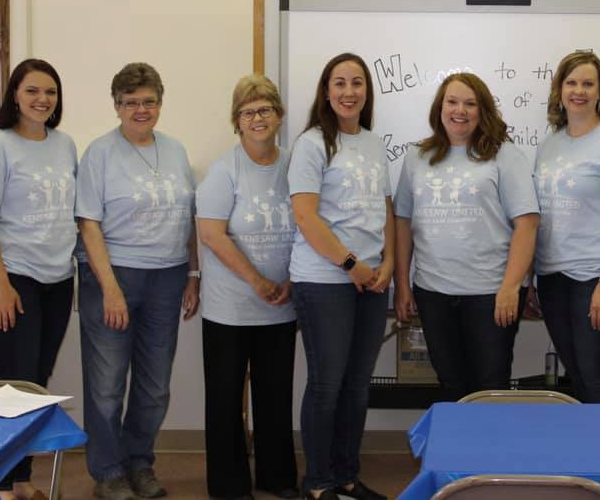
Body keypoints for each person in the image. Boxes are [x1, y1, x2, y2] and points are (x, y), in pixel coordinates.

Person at [76, 62, 199, 500]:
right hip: (114, 274)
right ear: (116, 106)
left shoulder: (176, 150)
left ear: (160, 104)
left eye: (148, 101)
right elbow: (88, 224)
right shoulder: (100, 153)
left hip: (167, 278)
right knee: (108, 386)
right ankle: (108, 472)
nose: (140, 109)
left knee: (154, 386)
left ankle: (139, 464)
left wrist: (192, 273)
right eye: (130, 103)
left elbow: (188, 219)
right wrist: (110, 287)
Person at [0, 58, 76, 500]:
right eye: (32, 90)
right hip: (9, 279)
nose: (41, 99)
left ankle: (22, 477)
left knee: (35, 384)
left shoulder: (64, 144)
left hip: (56, 279)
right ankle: (3, 484)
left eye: (49, 91)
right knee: (14, 382)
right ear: (15, 95)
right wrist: (2, 285)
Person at [393, 73, 539, 402]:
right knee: (450, 385)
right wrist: (402, 284)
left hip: (490, 294)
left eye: (470, 104)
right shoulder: (416, 157)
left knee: (490, 387)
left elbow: (527, 223)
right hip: (433, 293)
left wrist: (511, 288)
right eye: (453, 102)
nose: (460, 110)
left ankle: (490, 455)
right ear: (439, 108)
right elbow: (403, 221)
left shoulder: (505, 155)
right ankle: (456, 454)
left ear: (483, 110)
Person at [287, 53, 393, 500]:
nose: (349, 92)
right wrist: (351, 265)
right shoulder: (312, 144)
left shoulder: (372, 143)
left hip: (370, 282)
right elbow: (307, 218)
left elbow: (384, 210)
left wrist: (385, 263)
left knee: (356, 386)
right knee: (327, 384)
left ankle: (347, 475)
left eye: (357, 83)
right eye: (339, 83)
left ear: (366, 92)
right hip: (325, 280)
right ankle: (318, 481)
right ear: (326, 92)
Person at [196, 74, 299, 500]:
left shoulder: (295, 165)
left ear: (279, 115)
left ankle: (276, 477)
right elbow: (211, 234)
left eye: (266, 109)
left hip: (282, 305)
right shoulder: (224, 170)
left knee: (275, 396)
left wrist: (292, 280)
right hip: (230, 309)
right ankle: (228, 484)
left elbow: (310, 226)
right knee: (224, 400)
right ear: (236, 120)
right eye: (249, 111)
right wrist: (257, 280)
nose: (258, 118)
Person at [533, 51, 600, 404]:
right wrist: (533, 277)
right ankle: (595, 453)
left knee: (597, 375)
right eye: (571, 83)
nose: (578, 91)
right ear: (559, 90)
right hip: (554, 278)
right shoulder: (550, 143)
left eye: (587, 83)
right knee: (580, 375)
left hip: (598, 277)